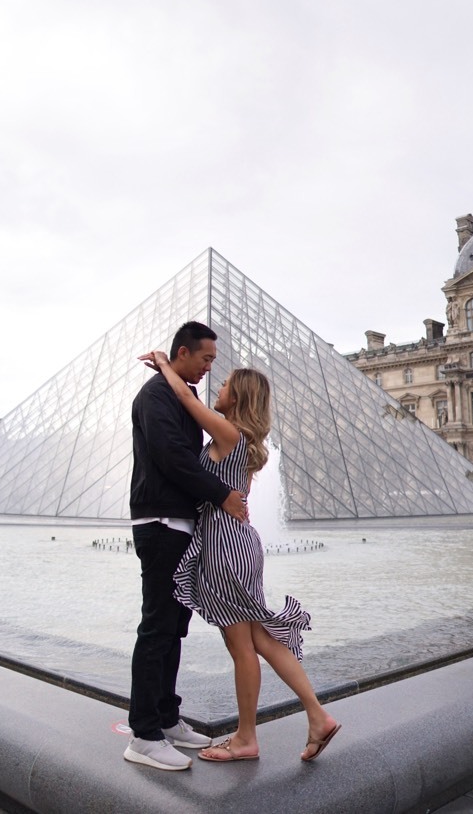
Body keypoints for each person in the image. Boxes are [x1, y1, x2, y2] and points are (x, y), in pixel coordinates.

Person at [142, 351, 341, 764]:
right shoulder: (246, 441)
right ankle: (318, 716)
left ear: (238, 398)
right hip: (242, 542)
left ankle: (247, 738)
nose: (218, 387)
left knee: (242, 646)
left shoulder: (229, 434)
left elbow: (185, 399)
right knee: (260, 638)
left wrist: (166, 365)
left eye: (226, 384)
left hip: (224, 545)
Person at [124, 322, 247, 772]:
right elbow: (172, 456)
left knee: (174, 625)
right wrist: (221, 493)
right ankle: (143, 733)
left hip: (177, 523)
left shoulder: (175, 393)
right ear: (183, 353)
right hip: (159, 521)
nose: (210, 367)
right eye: (206, 359)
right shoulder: (155, 397)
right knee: (157, 625)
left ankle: (166, 717)